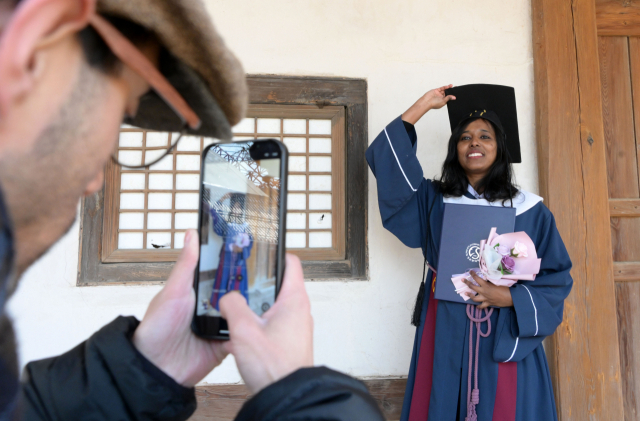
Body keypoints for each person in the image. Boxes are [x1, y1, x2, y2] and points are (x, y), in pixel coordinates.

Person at [0, 0, 385, 419]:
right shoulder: (225, 220)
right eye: (125, 109)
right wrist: (299, 397)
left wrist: (150, 368)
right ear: (33, 44)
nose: (96, 179)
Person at [366, 84, 573, 421]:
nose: (474, 142)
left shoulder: (531, 210)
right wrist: (422, 106)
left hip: (505, 329)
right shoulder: (434, 201)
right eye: (464, 137)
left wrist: (509, 298)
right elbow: (389, 166)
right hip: (444, 323)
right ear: (455, 150)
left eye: (485, 136)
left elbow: (557, 277)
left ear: (500, 149)